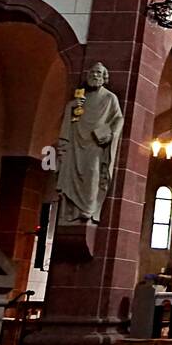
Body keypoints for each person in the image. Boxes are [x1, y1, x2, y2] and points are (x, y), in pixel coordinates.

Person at [56, 62, 124, 225]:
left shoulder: (109, 98)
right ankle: (72, 211)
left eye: (99, 73)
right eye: (92, 72)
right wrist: (72, 106)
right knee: (72, 174)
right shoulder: (81, 97)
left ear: (104, 77)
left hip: (94, 144)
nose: (95, 75)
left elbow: (119, 118)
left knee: (93, 173)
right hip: (76, 141)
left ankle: (89, 209)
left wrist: (111, 134)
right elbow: (71, 116)